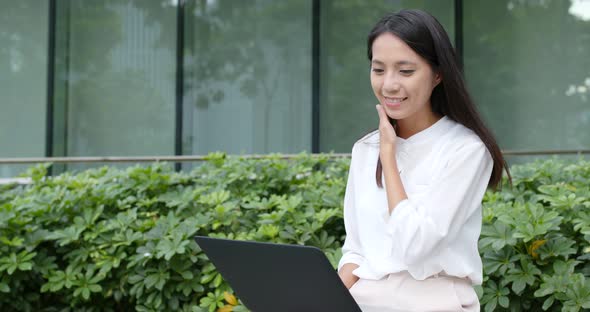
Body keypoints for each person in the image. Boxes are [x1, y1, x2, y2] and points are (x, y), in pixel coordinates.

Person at [337, 9, 510, 312]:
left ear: (438, 74)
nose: (389, 84)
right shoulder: (365, 149)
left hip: (434, 302)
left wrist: (389, 160)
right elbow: (356, 250)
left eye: (405, 71)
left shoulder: (465, 151)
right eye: (378, 70)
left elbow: (418, 247)